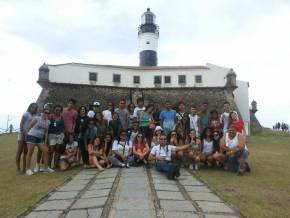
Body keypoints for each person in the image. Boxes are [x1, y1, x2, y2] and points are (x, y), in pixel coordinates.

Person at [25, 108, 54, 175]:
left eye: (48, 113)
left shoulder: (48, 122)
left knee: (46, 151)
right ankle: (28, 169)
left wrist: (46, 141)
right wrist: (27, 136)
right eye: (45, 112)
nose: (46, 114)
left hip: (39, 138)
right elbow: (29, 126)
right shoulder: (37, 118)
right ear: (42, 112)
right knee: (30, 152)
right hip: (32, 136)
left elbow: (46, 132)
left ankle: (46, 168)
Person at [16, 103, 38, 174]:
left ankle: (24, 169)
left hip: (29, 135)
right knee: (19, 152)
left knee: (26, 152)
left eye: (35, 107)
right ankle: (18, 169)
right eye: (32, 107)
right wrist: (22, 134)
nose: (34, 108)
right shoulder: (26, 114)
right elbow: (21, 124)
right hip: (22, 134)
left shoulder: (35, 116)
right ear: (30, 107)